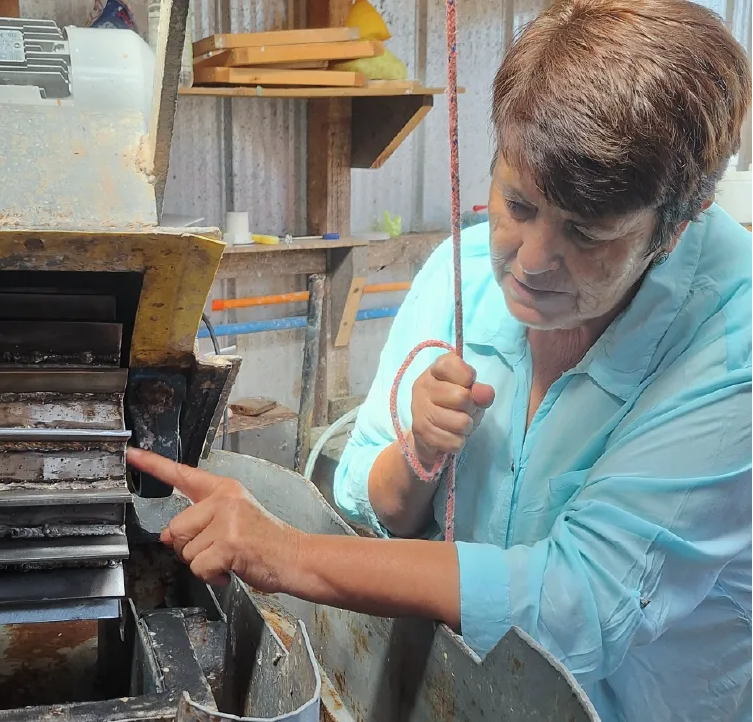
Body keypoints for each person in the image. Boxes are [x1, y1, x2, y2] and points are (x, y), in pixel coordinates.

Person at [126, 1, 753, 720]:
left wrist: (290, 554)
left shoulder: (731, 345)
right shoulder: (465, 277)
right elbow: (369, 504)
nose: (531, 261)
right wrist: (418, 455)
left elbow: (578, 605)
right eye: (518, 204)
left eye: (586, 233)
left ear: (674, 227)